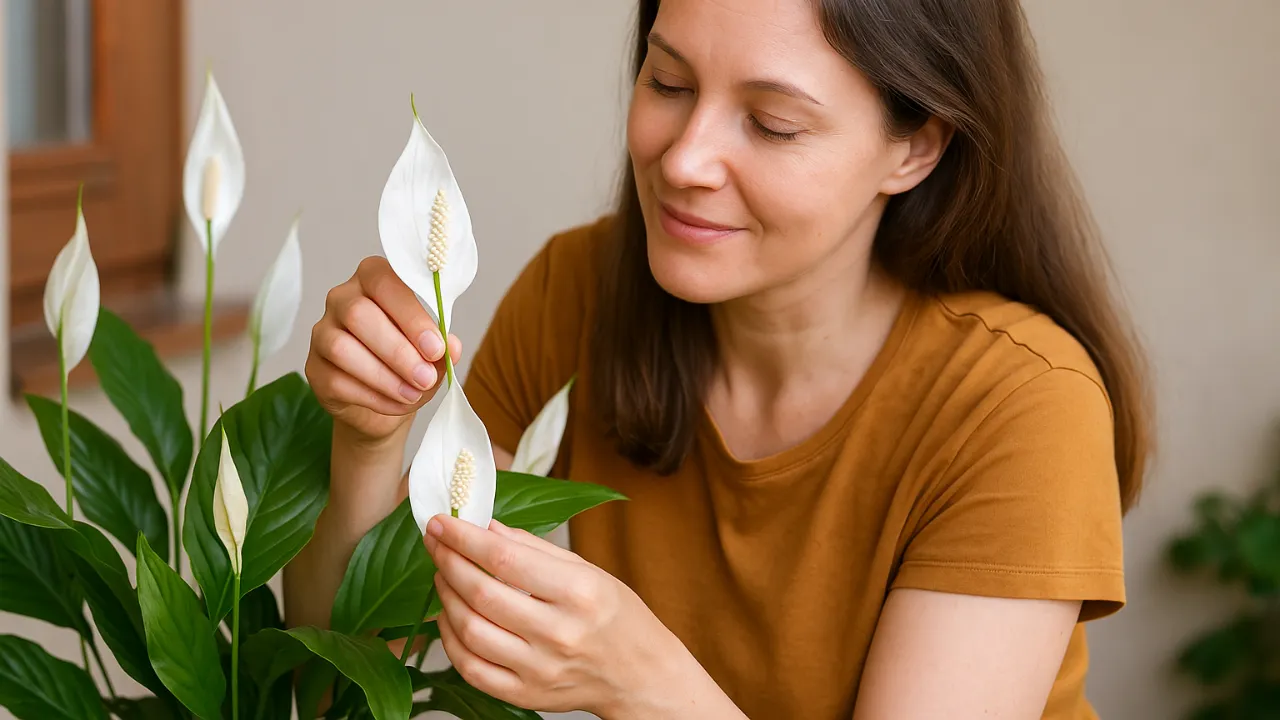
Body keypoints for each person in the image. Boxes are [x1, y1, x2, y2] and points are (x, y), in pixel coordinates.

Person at [284, 0, 1153, 717]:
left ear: (914, 146)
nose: (685, 158)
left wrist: (642, 684)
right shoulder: (576, 294)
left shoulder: (1023, 402)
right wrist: (368, 440)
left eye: (772, 124)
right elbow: (343, 682)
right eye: (667, 81)